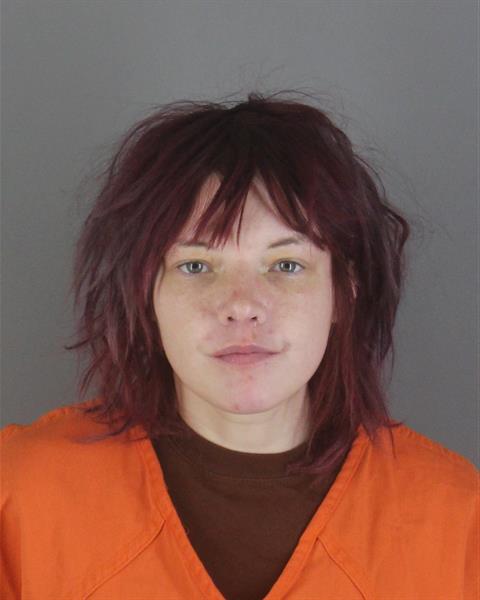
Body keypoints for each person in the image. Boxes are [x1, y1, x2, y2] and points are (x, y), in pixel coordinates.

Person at [1, 91, 478, 600]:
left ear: (344, 290)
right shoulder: (20, 494)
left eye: (286, 265)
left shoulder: (457, 519)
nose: (242, 306)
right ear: (145, 292)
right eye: (196, 266)